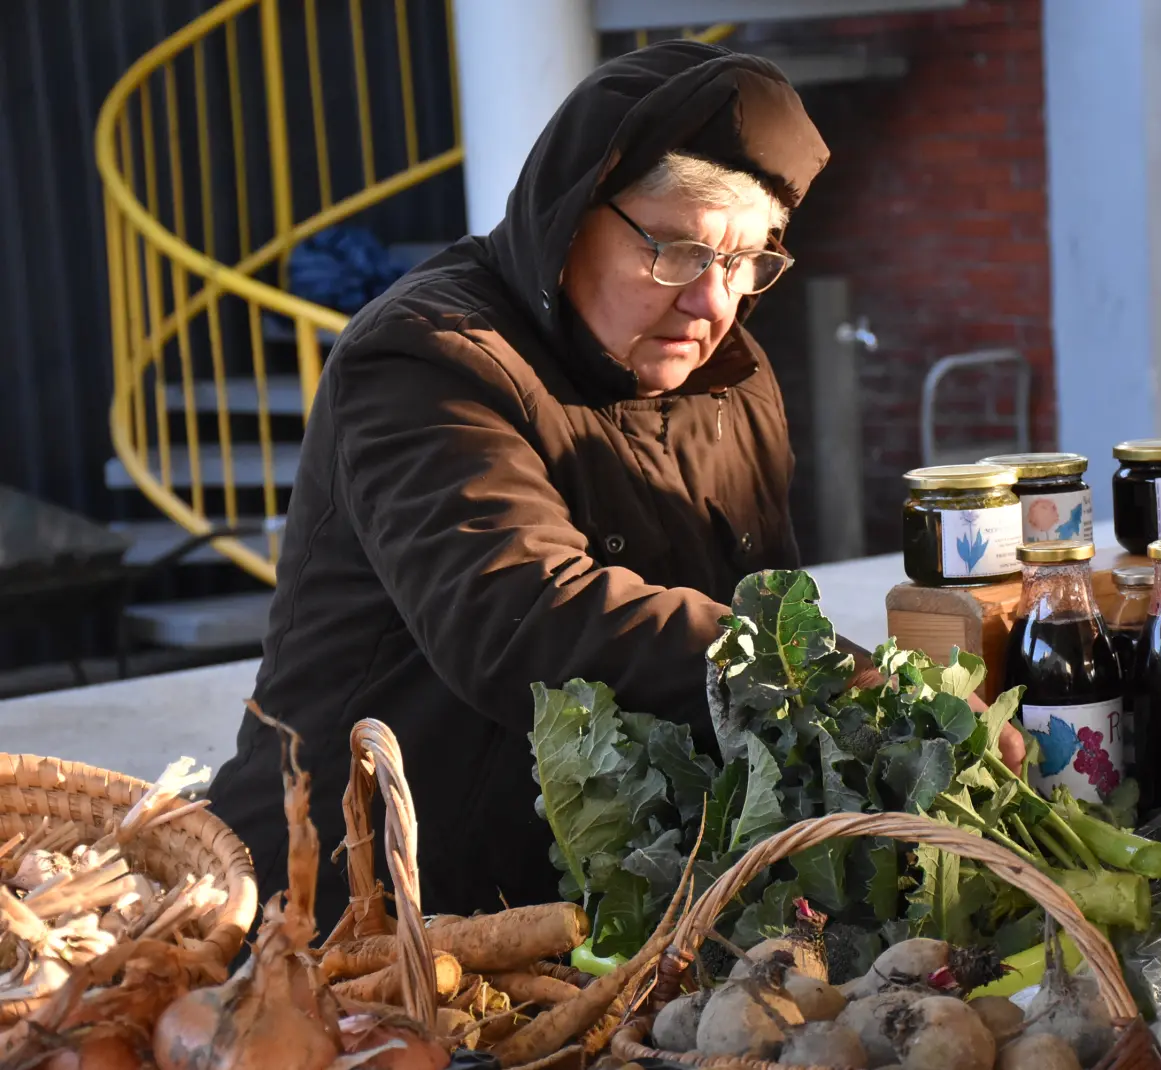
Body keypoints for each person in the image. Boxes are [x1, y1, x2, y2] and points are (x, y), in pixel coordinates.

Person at [207, 41, 1021, 934]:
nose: (713, 302)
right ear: (572, 214)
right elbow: (522, 614)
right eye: (676, 251)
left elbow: (760, 619)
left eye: (748, 261)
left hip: (588, 911)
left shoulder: (732, 382)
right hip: (356, 899)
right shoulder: (426, 358)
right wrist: (836, 681)